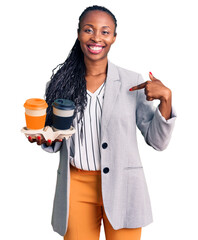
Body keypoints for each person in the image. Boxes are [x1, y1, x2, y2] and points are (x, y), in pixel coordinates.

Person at [28, 5, 176, 240]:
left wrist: (165, 99)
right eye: (89, 29)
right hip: (76, 186)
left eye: (105, 32)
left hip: (123, 186)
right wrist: (42, 137)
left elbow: (158, 141)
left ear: (114, 38)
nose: (96, 37)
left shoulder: (132, 82)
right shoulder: (59, 84)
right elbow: (55, 141)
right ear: (79, 34)